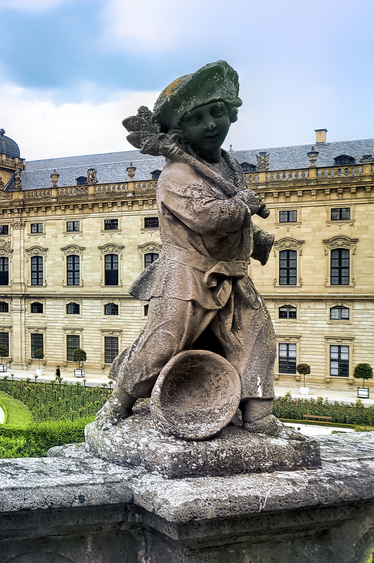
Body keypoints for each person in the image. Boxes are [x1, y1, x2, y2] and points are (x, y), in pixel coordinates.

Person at [100, 61, 291, 438]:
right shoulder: (176, 174)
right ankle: (118, 402)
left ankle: (258, 414)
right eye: (196, 118)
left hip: (232, 276)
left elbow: (229, 223)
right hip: (187, 277)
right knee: (162, 343)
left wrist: (254, 238)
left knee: (258, 340)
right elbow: (207, 219)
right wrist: (244, 206)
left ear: (230, 111)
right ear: (180, 131)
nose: (210, 124)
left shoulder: (228, 165)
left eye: (216, 112)